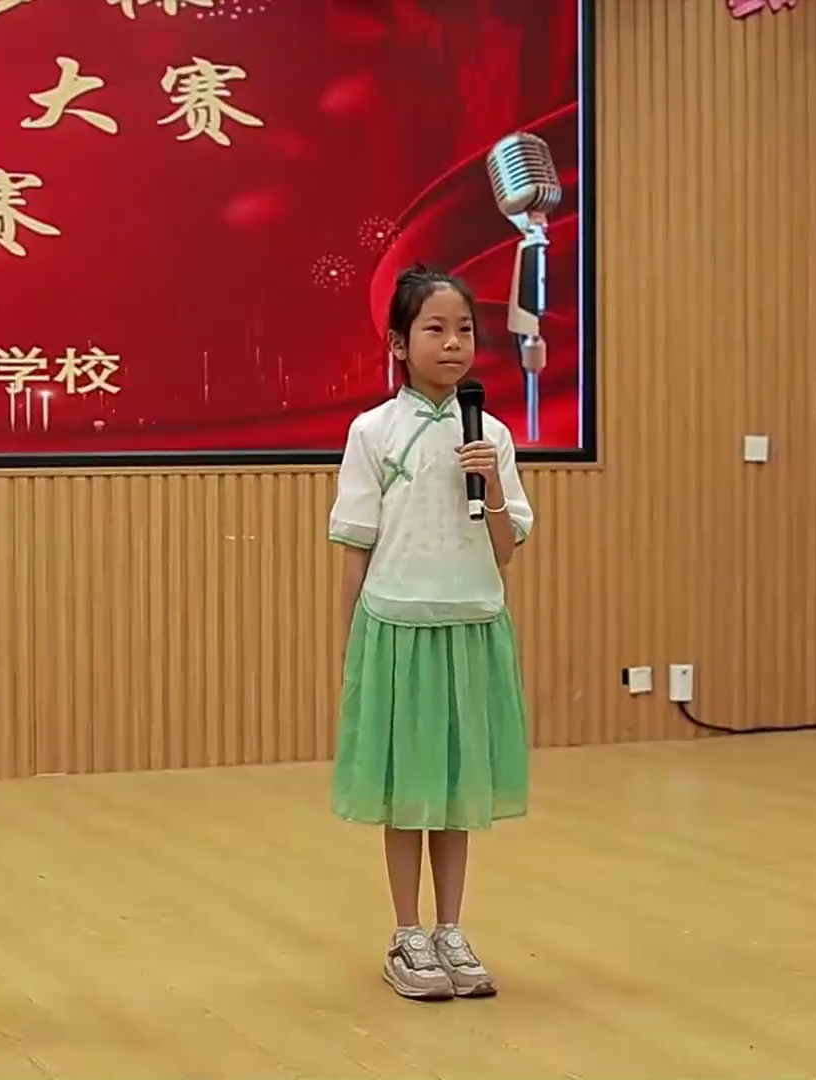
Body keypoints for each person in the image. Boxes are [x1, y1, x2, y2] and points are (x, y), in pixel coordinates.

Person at [326, 264, 535, 1001]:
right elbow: (355, 545)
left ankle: (451, 928)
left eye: (465, 330)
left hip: (471, 623)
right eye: (435, 329)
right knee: (408, 789)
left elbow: (505, 548)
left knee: (455, 787)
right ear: (398, 343)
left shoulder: (494, 435)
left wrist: (493, 485)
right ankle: (406, 932)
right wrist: (350, 644)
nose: (453, 344)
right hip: (397, 626)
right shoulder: (372, 431)